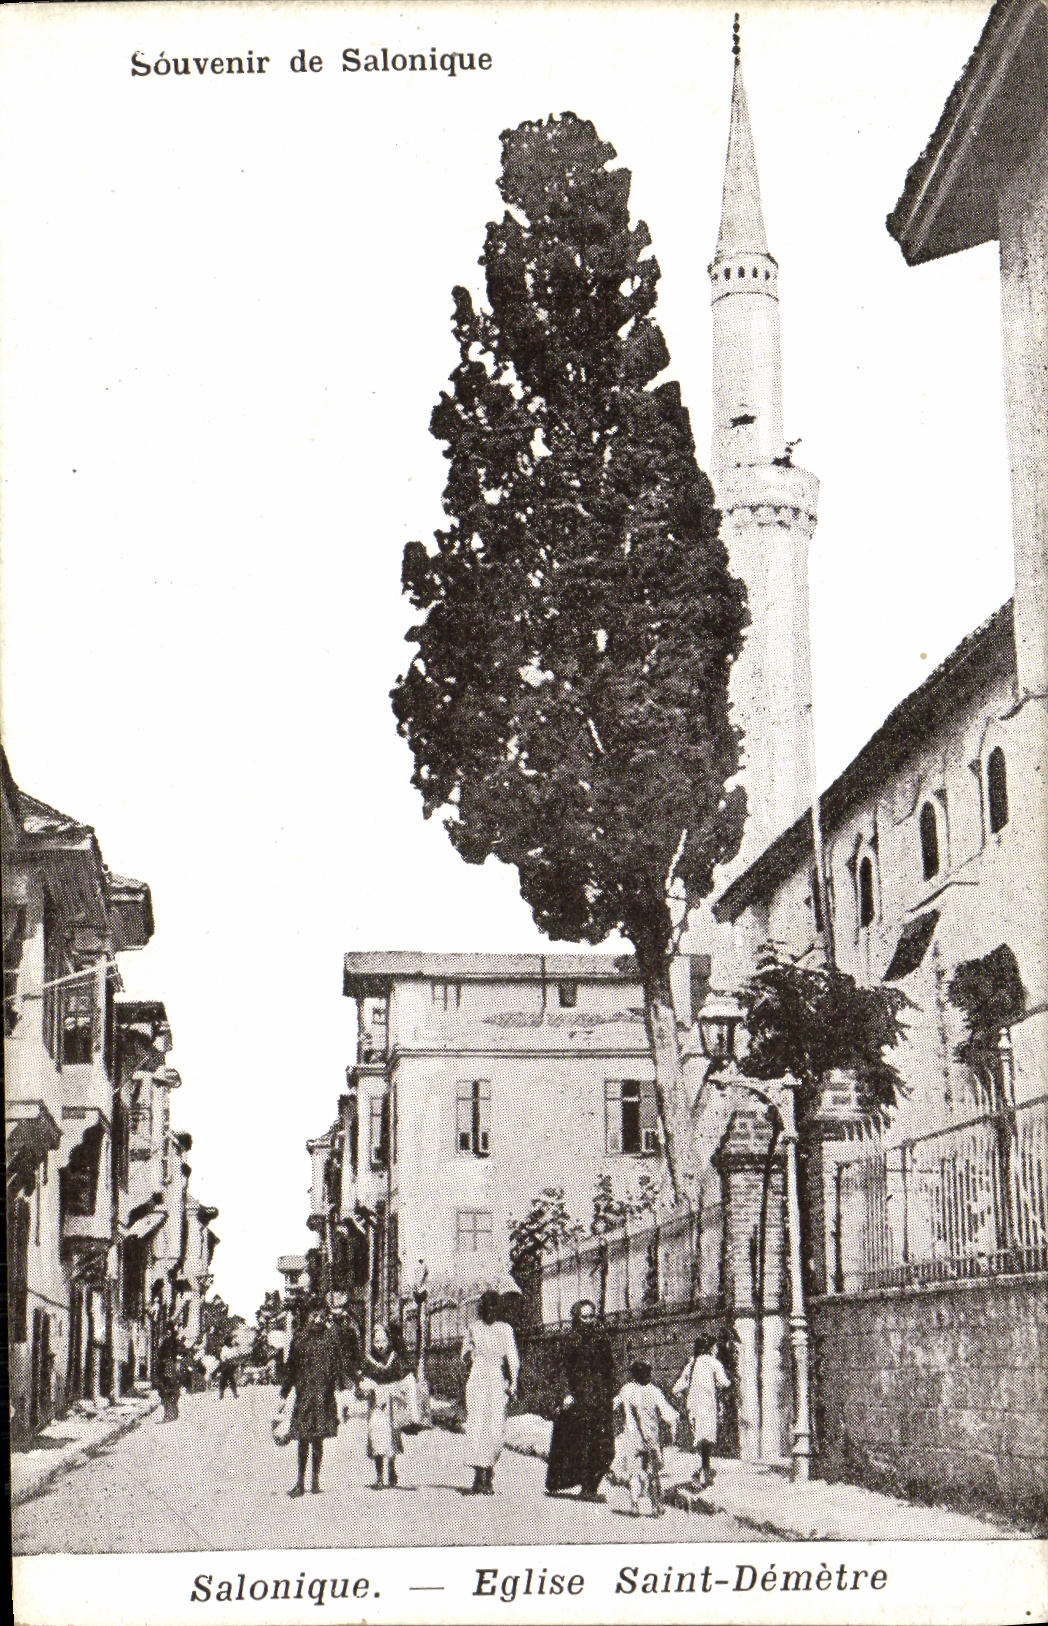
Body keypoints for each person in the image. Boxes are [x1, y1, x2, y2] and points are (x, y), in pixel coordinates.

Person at [545, 1299, 615, 1502]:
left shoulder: (602, 1339)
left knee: (604, 1445)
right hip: (578, 1399)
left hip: (600, 1398)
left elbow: (610, 1368)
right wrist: (565, 1393)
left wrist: (611, 1393)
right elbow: (559, 1370)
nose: (588, 1320)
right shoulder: (569, 1340)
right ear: (576, 1318)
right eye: (584, 1316)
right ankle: (588, 1488)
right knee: (581, 1443)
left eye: (591, 1316)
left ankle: (592, 1484)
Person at [280, 1304, 347, 1497]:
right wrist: (284, 1395)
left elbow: (338, 1366)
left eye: (321, 1315)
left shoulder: (330, 1338)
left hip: (324, 1396)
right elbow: (291, 1368)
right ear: (307, 1316)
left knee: (318, 1439)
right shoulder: (299, 1338)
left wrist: (342, 1393)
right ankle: (300, 1482)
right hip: (305, 1395)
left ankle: (315, 1481)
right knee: (302, 1438)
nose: (317, 1319)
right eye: (314, 1315)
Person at [460, 1290, 519, 1495]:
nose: (490, 1311)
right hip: (477, 1379)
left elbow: (513, 1358)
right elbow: (464, 1356)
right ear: (481, 1308)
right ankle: (479, 1476)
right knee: (477, 1427)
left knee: (495, 1429)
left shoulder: (505, 1329)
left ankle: (489, 1470)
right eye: (487, 1306)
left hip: (496, 1379)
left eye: (495, 1306)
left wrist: (514, 1383)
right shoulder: (473, 1328)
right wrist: (469, 1353)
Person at [613, 1359, 679, 1517]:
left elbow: (613, 1405)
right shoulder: (655, 1391)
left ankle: (635, 1505)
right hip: (650, 1438)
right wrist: (674, 1424)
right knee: (653, 1473)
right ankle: (656, 1506)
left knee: (634, 1473)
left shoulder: (626, 1389)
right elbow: (667, 1413)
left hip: (632, 1437)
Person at [358, 1322, 411, 1489]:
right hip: (376, 1404)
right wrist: (366, 1386)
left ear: (388, 1341)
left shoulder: (395, 1358)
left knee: (392, 1437)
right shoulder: (368, 1360)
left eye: (383, 1341)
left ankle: (391, 1468)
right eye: (376, 1342)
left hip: (392, 1403)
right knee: (376, 1435)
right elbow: (362, 1381)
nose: (380, 1346)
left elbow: (404, 1379)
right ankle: (379, 1476)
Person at [672, 1336, 731, 1488]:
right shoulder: (713, 1362)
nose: (716, 1349)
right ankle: (704, 1471)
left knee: (701, 1440)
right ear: (711, 1348)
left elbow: (677, 1388)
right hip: (707, 1406)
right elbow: (724, 1383)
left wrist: (685, 1397)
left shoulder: (692, 1364)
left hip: (693, 1406)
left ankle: (704, 1469)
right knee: (707, 1440)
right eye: (715, 1347)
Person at [154, 1324, 182, 1423]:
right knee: (169, 1391)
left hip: (167, 1368)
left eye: (168, 1331)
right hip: (167, 1368)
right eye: (166, 1332)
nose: (167, 1333)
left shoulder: (170, 1342)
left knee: (167, 1391)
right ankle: (172, 1414)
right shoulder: (172, 1342)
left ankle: (169, 1415)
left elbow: (174, 1356)